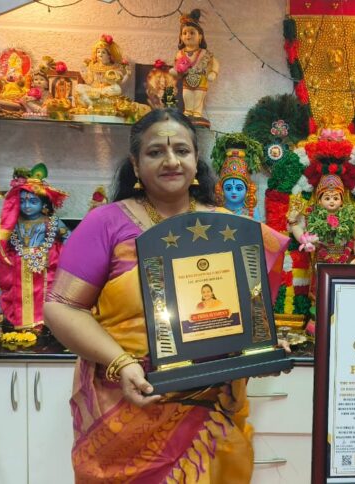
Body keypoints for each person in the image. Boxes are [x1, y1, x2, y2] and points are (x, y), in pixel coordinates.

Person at [44, 108, 289, 482]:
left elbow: (242, 315)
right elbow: (62, 308)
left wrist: (260, 350)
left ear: (196, 159)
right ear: (135, 164)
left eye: (182, 150)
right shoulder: (106, 224)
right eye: (156, 151)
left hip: (209, 415)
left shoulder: (228, 227)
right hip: (128, 410)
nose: (171, 161)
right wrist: (121, 363)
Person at [0, 164, 69, 330]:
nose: (27, 206)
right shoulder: (14, 223)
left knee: (45, 294)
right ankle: (22, 322)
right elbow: (5, 244)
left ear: (43, 204)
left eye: (33, 201)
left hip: (44, 267)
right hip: (19, 267)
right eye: (22, 201)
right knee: (20, 295)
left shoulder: (52, 222)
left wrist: (60, 255)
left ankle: (45, 323)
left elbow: (69, 239)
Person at [173, 9, 219, 127]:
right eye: (185, 33)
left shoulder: (205, 53)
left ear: (200, 37)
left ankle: (197, 114)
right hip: (186, 81)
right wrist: (175, 72)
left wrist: (213, 73)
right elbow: (177, 67)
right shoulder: (180, 53)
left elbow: (215, 63)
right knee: (187, 96)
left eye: (192, 33)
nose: (188, 36)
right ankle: (188, 112)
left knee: (198, 98)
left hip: (201, 81)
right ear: (180, 37)